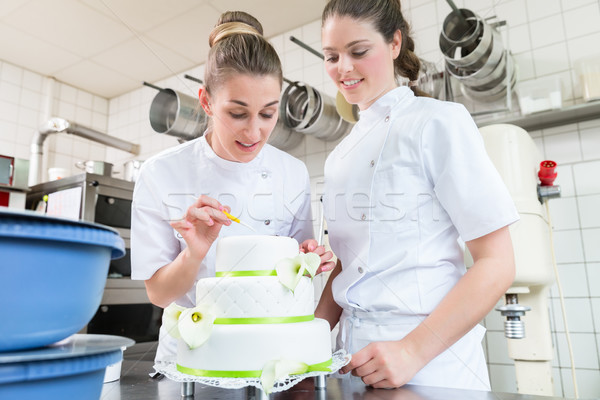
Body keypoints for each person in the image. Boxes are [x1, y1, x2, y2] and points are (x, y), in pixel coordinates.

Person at [307, 0, 519, 391]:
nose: (344, 68)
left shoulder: (439, 122)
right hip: (351, 361)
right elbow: (349, 265)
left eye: (358, 52)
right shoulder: (339, 157)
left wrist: (413, 351)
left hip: (434, 363)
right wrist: (312, 334)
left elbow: (498, 262)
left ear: (394, 43)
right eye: (331, 56)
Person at [130, 10, 333, 364]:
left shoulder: (292, 172)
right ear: (206, 101)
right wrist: (194, 252)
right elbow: (160, 294)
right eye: (238, 114)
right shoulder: (160, 174)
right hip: (190, 357)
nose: (254, 133)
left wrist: (309, 260)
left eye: (268, 114)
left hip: (272, 356)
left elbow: (297, 268)